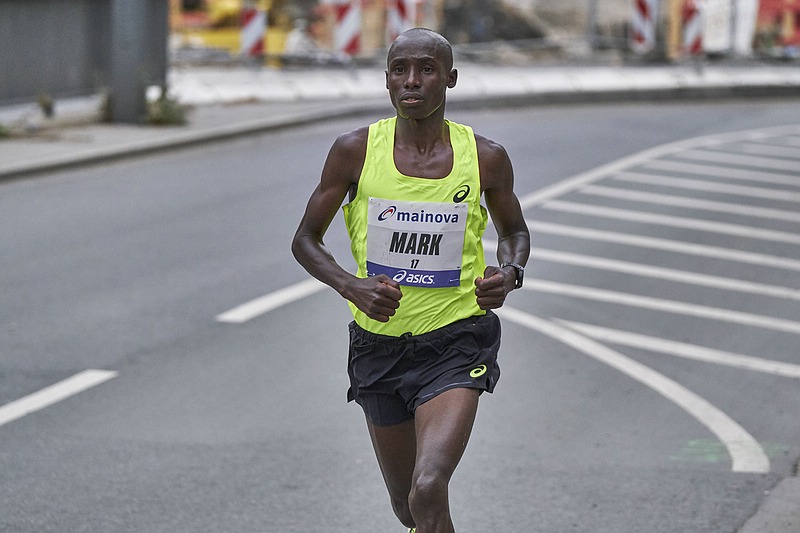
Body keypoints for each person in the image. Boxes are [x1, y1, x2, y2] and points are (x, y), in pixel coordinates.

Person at [291, 28, 530, 533]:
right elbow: (306, 240)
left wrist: (509, 273)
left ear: (451, 78)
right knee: (407, 509)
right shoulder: (354, 151)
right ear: (386, 80)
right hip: (378, 347)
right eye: (400, 70)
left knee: (429, 486)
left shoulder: (485, 157)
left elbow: (514, 230)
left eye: (426, 69)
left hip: (456, 340)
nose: (412, 81)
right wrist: (350, 285)